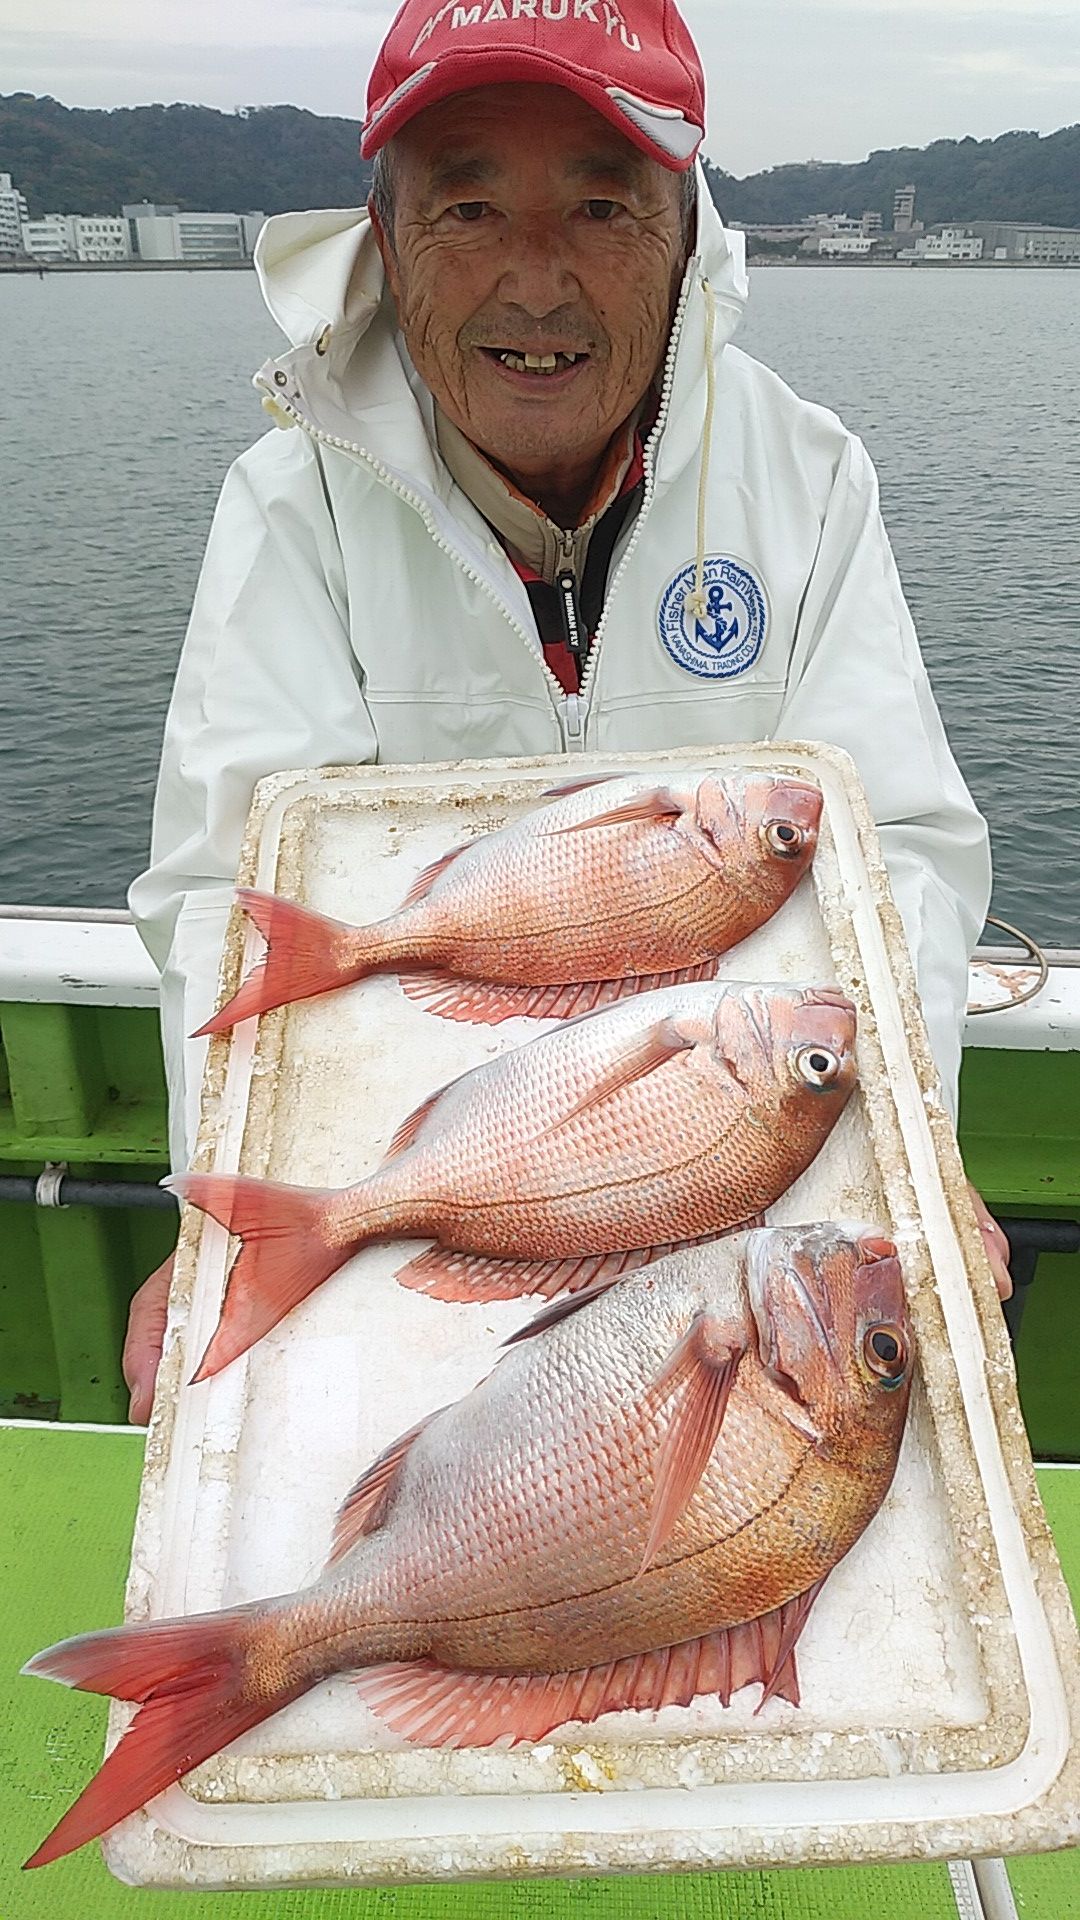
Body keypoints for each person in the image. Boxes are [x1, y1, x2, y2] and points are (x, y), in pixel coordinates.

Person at [123, 0, 1011, 1422]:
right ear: (384, 230)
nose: (535, 285)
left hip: (742, 1184)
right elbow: (235, 896)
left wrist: (907, 1153)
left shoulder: (806, 478)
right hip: (428, 1161)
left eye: (601, 208)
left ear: (687, 230)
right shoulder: (293, 506)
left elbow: (894, 845)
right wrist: (232, 1200)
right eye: (468, 208)